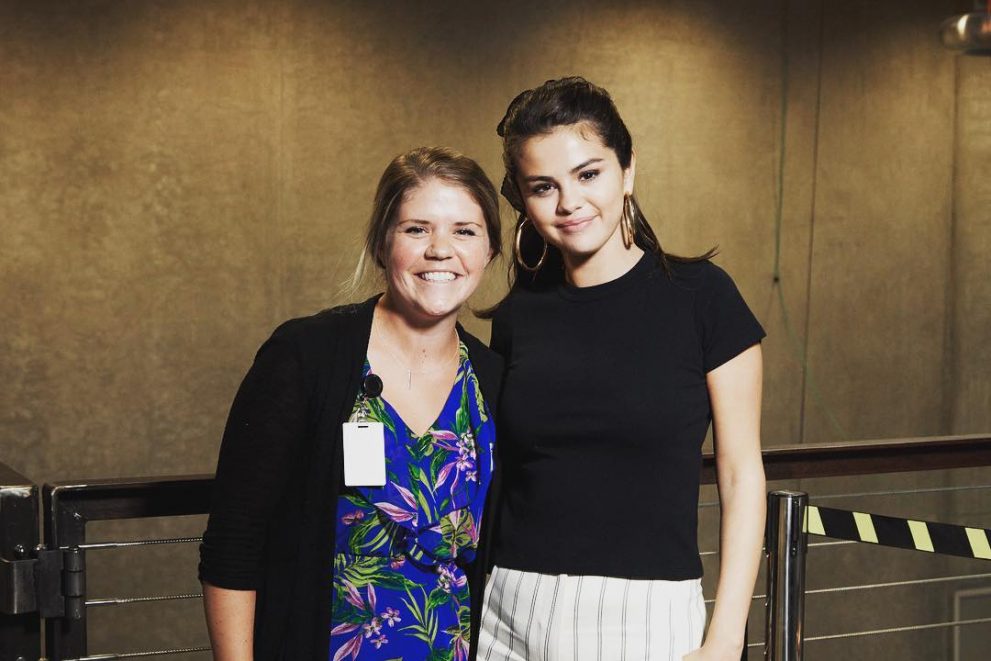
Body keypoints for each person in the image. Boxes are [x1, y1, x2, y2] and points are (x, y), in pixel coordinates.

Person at [478, 78, 766, 661]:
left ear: (627, 170)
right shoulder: (517, 313)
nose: (569, 203)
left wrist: (726, 637)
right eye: (544, 186)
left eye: (588, 174)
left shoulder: (703, 298)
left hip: (644, 613)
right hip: (507, 608)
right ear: (524, 201)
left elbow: (741, 474)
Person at [199, 146, 504, 661]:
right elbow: (233, 541)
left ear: (490, 250)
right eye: (417, 229)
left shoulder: (491, 379)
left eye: (464, 231)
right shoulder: (306, 356)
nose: (441, 250)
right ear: (382, 243)